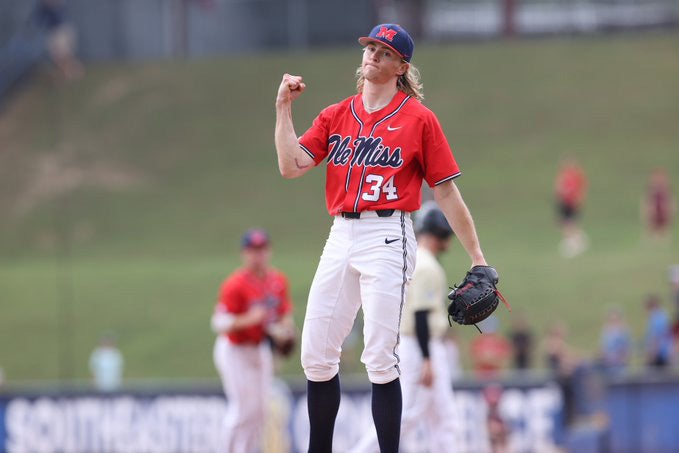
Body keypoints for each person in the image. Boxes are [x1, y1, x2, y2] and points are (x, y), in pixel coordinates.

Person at [274, 23, 491, 453]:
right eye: (371, 47)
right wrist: (283, 110)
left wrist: (478, 257)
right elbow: (291, 165)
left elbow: (445, 190)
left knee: (379, 357)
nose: (372, 55)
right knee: (316, 356)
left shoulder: (419, 119)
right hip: (341, 232)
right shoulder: (337, 114)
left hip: (388, 233)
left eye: (384, 52)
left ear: (401, 66)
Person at [351, 203, 460, 453]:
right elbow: (421, 315)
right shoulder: (427, 265)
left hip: (412, 344)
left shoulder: (413, 257)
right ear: (439, 232)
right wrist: (427, 358)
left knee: (441, 418)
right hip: (420, 346)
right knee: (407, 417)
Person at [211, 229, 295, 453]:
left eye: (262, 249)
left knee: (260, 410)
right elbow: (219, 323)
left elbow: (284, 312)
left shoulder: (277, 280)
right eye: (253, 250)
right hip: (235, 349)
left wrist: (287, 328)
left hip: (259, 349)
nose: (258, 255)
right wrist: (249, 319)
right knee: (242, 410)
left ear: (269, 251)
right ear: (244, 254)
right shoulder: (235, 284)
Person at [32, 0, 84, 80]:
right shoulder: (41, 7)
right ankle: (68, 74)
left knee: (65, 56)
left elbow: (58, 14)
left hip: (60, 31)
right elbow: (38, 19)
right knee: (57, 58)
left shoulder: (57, 5)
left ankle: (75, 72)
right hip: (52, 33)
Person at [554, 157, 588, 257]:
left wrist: (577, 199)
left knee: (569, 222)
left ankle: (576, 242)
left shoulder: (576, 175)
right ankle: (575, 241)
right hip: (564, 201)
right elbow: (559, 188)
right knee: (564, 222)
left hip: (571, 202)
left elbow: (578, 189)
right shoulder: (563, 174)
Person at [641, 167, 675, 242]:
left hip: (663, 210)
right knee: (652, 224)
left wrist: (670, 209)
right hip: (654, 210)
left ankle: (663, 239)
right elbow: (648, 200)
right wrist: (647, 209)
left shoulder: (666, 190)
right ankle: (652, 239)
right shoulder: (651, 189)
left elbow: (670, 200)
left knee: (664, 226)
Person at [598, 306, 631, 376]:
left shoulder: (623, 331)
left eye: (615, 319)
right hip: (607, 364)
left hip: (619, 364)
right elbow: (603, 346)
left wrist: (622, 359)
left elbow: (626, 348)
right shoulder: (606, 330)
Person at [643, 294, 673, 370]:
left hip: (659, 355)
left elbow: (656, 337)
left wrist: (652, 353)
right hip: (661, 353)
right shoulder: (661, 315)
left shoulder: (657, 317)